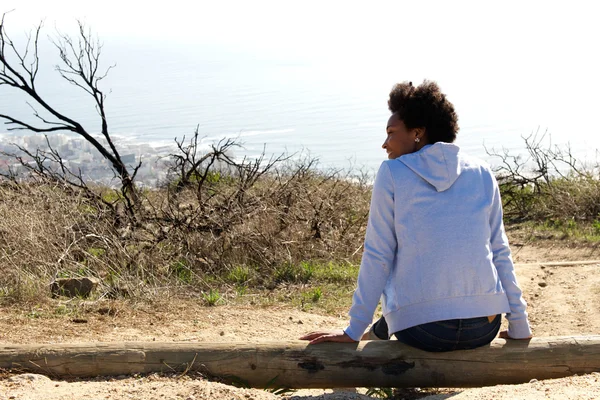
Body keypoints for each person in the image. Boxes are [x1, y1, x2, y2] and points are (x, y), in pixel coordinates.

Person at [300, 80, 532, 351]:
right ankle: (376, 331)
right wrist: (520, 323)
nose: (384, 144)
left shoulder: (393, 173)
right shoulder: (482, 172)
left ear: (418, 133)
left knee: (408, 278)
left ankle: (371, 332)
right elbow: (500, 251)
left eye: (391, 133)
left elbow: (378, 254)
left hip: (425, 332)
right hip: (484, 326)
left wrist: (353, 329)